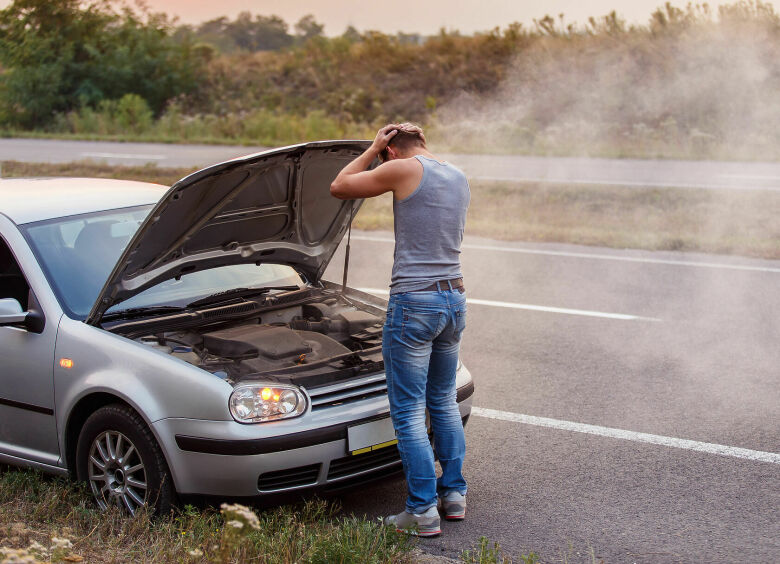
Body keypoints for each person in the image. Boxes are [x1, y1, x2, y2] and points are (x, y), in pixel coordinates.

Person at [331, 123, 470, 537]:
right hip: (454, 298)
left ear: (391, 152)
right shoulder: (458, 174)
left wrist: (372, 147)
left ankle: (422, 511)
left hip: (415, 301)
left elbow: (340, 186)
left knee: (408, 411)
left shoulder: (402, 168)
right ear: (423, 142)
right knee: (442, 401)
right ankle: (454, 495)